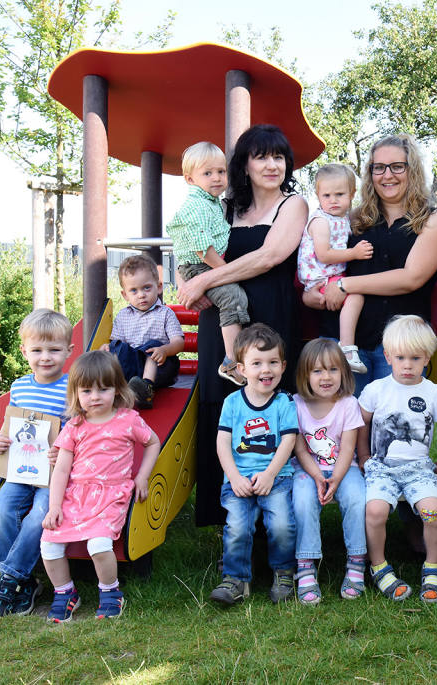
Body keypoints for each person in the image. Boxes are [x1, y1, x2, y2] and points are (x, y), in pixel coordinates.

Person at [174, 125, 308, 527]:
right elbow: (189, 241)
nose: (271, 165)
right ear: (244, 165)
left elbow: (269, 256)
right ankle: (228, 520)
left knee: (269, 412)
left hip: (271, 317)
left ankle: (275, 523)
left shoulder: (293, 205)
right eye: (261, 157)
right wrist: (186, 282)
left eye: (279, 157)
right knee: (225, 410)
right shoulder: (223, 205)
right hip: (223, 322)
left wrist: (205, 280)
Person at [316, 134, 437, 393]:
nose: (387, 175)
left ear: (413, 171)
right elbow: (322, 265)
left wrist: (345, 285)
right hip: (349, 342)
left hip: (404, 348)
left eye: (397, 166)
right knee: (348, 427)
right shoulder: (352, 221)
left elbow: (411, 278)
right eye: (379, 168)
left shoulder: (432, 221)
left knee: (397, 427)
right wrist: (318, 292)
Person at [40, 350, 160, 622]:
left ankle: (110, 591)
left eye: (103, 389)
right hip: (75, 496)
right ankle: (65, 592)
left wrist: (142, 476)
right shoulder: (74, 426)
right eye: (86, 391)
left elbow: (153, 442)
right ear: (76, 394)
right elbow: (61, 469)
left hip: (110, 496)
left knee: (98, 544)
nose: (95, 397)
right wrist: (55, 506)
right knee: (48, 544)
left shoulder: (127, 420)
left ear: (117, 390)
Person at [0, 309, 74, 617]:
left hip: (52, 473)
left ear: (68, 351)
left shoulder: (71, 389)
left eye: (54, 349)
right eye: (37, 350)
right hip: (19, 468)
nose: (45, 357)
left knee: (39, 516)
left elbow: (78, 431)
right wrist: (0, 442)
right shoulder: (20, 386)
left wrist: (62, 450)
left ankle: (10, 580)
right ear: (25, 351)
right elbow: (10, 425)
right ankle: (26, 579)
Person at [211, 324, 299, 607]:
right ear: (241, 369)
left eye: (273, 362)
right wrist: (234, 477)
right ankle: (236, 579)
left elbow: (288, 441)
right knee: (237, 526)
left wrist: (271, 474)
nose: (266, 370)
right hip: (239, 479)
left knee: (282, 524)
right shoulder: (232, 403)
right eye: (257, 363)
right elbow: (223, 442)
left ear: (283, 366)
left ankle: (284, 573)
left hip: (277, 477)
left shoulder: (284, 402)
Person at [358, 315, 437, 603]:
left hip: (419, 470)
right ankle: (379, 566)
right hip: (381, 469)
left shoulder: (433, 393)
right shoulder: (376, 390)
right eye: (400, 357)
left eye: (415, 358)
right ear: (387, 356)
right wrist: (364, 456)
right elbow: (362, 425)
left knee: (432, 511)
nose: (407, 364)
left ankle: (432, 566)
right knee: (375, 512)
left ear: (427, 357)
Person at [166, 141, 250, 385]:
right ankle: (231, 361)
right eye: (207, 173)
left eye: (221, 172)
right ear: (190, 179)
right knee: (232, 296)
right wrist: (227, 271)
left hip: (201, 264)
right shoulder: (198, 205)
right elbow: (203, 248)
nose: (216, 178)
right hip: (201, 265)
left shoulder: (211, 203)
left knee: (233, 297)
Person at [291, 338, 367, 604]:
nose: (326, 377)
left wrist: (335, 478)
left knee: (357, 498)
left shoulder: (348, 403)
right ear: (305, 374)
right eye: (318, 370)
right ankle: (306, 563)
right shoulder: (296, 404)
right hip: (307, 468)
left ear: (344, 373)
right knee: (302, 500)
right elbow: (300, 449)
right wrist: (317, 476)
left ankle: (357, 560)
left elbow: (348, 449)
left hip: (342, 469)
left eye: (333, 370)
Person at [298, 163, 373, 374]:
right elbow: (324, 254)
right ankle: (347, 348)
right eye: (326, 195)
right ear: (318, 195)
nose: (333, 200)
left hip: (330, 275)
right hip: (320, 276)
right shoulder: (321, 221)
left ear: (352, 194)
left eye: (339, 194)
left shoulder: (344, 219)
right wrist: (354, 254)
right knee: (355, 294)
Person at [102, 254, 184, 409]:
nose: (141, 295)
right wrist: (108, 348)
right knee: (116, 347)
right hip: (134, 368)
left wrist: (164, 350)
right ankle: (116, 386)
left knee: (151, 346)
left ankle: (146, 389)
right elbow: (117, 345)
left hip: (162, 366)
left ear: (158, 287)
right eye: (134, 290)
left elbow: (179, 343)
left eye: (147, 288)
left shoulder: (165, 313)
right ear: (125, 295)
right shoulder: (123, 316)